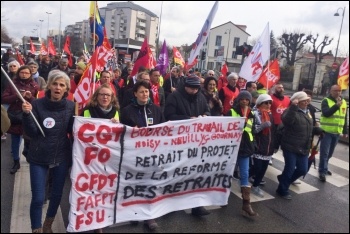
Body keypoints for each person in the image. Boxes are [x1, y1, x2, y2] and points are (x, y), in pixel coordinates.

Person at [21, 70, 75, 233]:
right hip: (39, 156)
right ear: (49, 86)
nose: (58, 88)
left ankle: (47, 225)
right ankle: (36, 228)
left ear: (66, 89)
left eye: (62, 85)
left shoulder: (72, 106)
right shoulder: (36, 104)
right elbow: (31, 132)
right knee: (38, 198)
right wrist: (26, 114)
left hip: (61, 156)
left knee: (56, 196)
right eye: (55, 84)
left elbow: (75, 130)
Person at [120, 80, 164, 230]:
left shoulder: (157, 109)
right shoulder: (126, 111)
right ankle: (134, 212)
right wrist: (133, 131)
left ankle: (149, 216)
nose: (144, 94)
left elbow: (163, 129)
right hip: (134, 154)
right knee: (135, 184)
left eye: (146, 91)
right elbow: (122, 131)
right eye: (141, 92)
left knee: (150, 184)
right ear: (135, 94)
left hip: (152, 153)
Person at [164, 75, 211, 216]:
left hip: (196, 143)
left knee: (196, 174)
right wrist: (188, 120)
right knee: (176, 173)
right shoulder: (174, 97)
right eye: (191, 88)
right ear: (185, 86)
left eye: (196, 88)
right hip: (178, 142)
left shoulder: (201, 97)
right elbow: (168, 115)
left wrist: (205, 116)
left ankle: (196, 205)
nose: (194, 91)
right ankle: (169, 203)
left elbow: (207, 110)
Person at [81, 83, 120, 233]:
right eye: (102, 94)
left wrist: (118, 124)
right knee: (91, 189)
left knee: (105, 189)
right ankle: (89, 219)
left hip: (107, 157)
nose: (105, 97)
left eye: (108, 95)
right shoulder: (87, 111)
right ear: (96, 97)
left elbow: (117, 135)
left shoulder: (116, 112)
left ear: (112, 98)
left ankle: (100, 220)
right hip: (89, 157)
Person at [276, 91, 322, 199]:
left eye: (307, 100)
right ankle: (282, 189)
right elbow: (287, 121)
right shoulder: (290, 111)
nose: (307, 102)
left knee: (303, 169)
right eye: (304, 100)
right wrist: (293, 107)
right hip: (290, 146)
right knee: (290, 168)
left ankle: (283, 179)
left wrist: (318, 130)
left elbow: (307, 128)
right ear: (297, 101)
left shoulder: (308, 112)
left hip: (304, 146)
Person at [2, 65, 39, 174]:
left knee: (29, 138)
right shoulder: (12, 84)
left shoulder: (35, 85)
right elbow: (4, 98)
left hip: (29, 116)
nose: (24, 75)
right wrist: (18, 96)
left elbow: (39, 102)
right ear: (18, 73)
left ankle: (27, 152)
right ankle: (16, 161)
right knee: (15, 140)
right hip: (15, 115)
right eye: (22, 72)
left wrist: (30, 97)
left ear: (30, 74)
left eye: (26, 73)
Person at [226, 91, 257, 217]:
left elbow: (252, 130)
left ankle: (246, 203)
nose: (245, 101)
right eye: (242, 99)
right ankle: (223, 196)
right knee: (227, 172)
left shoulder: (252, 114)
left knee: (245, 173)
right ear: (239, 100)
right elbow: (225, 128)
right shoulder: (231, 112)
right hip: (232, 147)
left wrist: (252, 144)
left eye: (247, 99)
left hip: (245, 148)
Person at [318, 85, 348, 182]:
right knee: (324, 153)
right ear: (331, 91)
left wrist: (345, 131)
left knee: (330, 153)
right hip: (326, 131)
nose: (338, 92)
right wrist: (336, 106)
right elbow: (326, 113)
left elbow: (344, 117)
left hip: (336, 132)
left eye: (339, 91)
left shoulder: (343, 102)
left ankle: (325, 168)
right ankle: (322, 171)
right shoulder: (326, 101)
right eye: (335, 91)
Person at [250, 94, 276, 197]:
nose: (268, 105)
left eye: (270, 103)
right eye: (266, 103)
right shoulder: (254, 114)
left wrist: (274, 145)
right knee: (257, 168)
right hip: (258, 146)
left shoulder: (270, 115)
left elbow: (273, 132)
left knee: (263, 169)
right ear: (260, 103)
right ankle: (244, 179)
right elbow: (253, 130)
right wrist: (262, 126)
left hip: (268, 147)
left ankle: (255, 186)